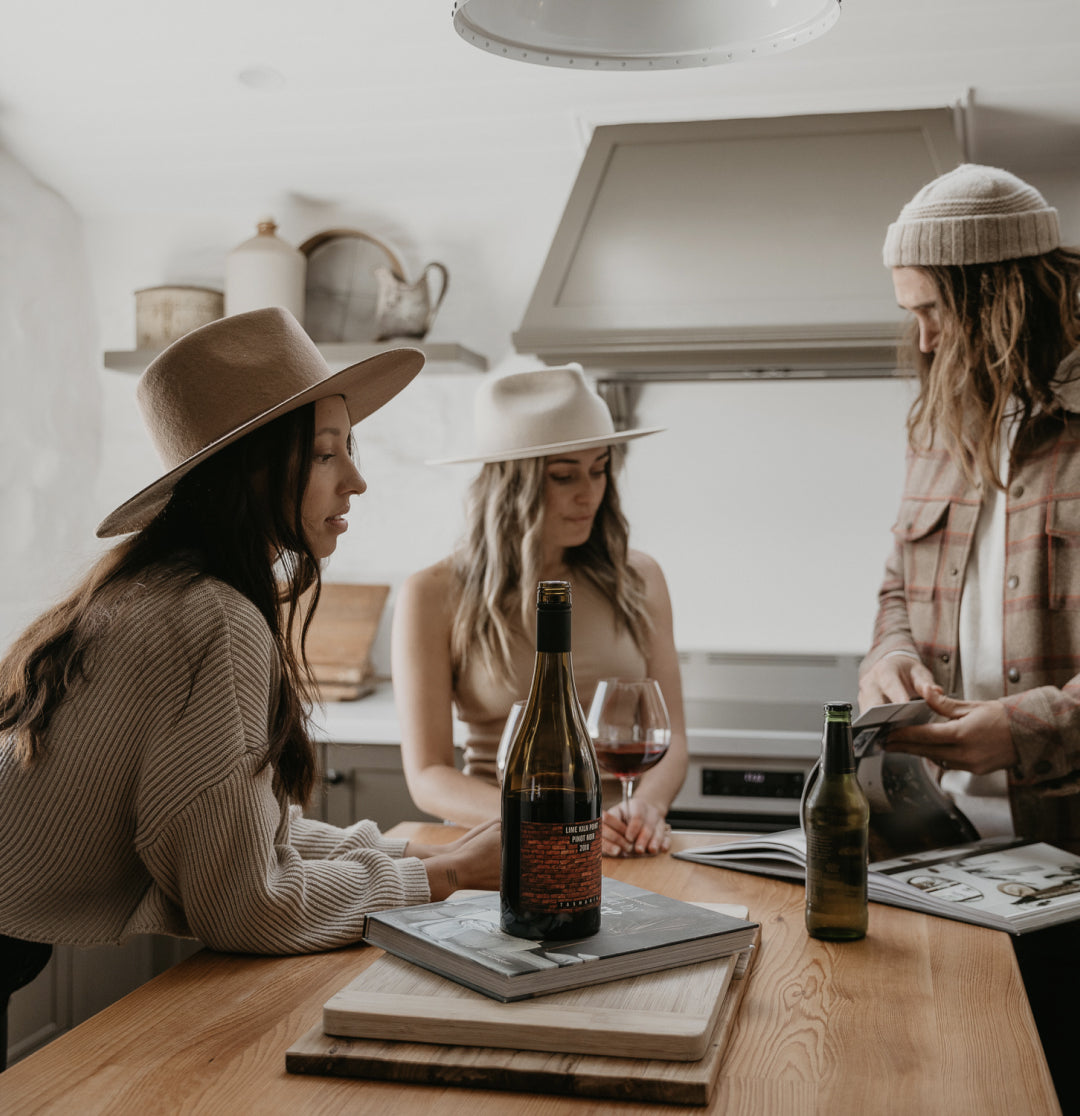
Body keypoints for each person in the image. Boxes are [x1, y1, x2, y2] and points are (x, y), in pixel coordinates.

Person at [0, 308, 501, 965]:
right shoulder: (214, 616)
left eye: (350, 449)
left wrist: (419, 852)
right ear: (255, 470)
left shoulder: (152, 586)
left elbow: (240, 833)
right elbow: (249, 905)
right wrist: (449, 877)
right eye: (325, 453)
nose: (355, 480)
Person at [856, 164, 1079, 1109]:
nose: (921, 337)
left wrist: (1022, 729)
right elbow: (896, 589)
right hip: (943, 859)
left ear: (1001, 296)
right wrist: (888, 656)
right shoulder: (939, 426)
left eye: (932, 309)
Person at [392, 365, 688, 858]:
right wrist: (553, 823)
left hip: (624, 847)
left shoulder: (640, 577)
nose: (588, 494)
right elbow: (428, 776)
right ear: (511, 486)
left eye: (599, 469)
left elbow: (671, 741)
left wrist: (646, 809)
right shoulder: (431, 593)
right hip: (507, 842)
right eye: (564, 475)